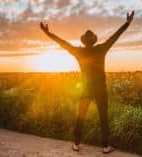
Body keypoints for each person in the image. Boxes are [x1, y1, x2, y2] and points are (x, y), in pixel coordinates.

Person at [40, 11, 134, 154]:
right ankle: (105, 146)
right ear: (94, 40)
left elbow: (62, 43)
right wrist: (127, 23)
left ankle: (76, 144)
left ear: (84, 41)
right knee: (103, 116)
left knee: (81, 115)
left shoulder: (79, 52)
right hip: (100, 88)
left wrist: (48, 33)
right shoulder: (102, 49)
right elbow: (115, 36)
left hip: (86, 88)